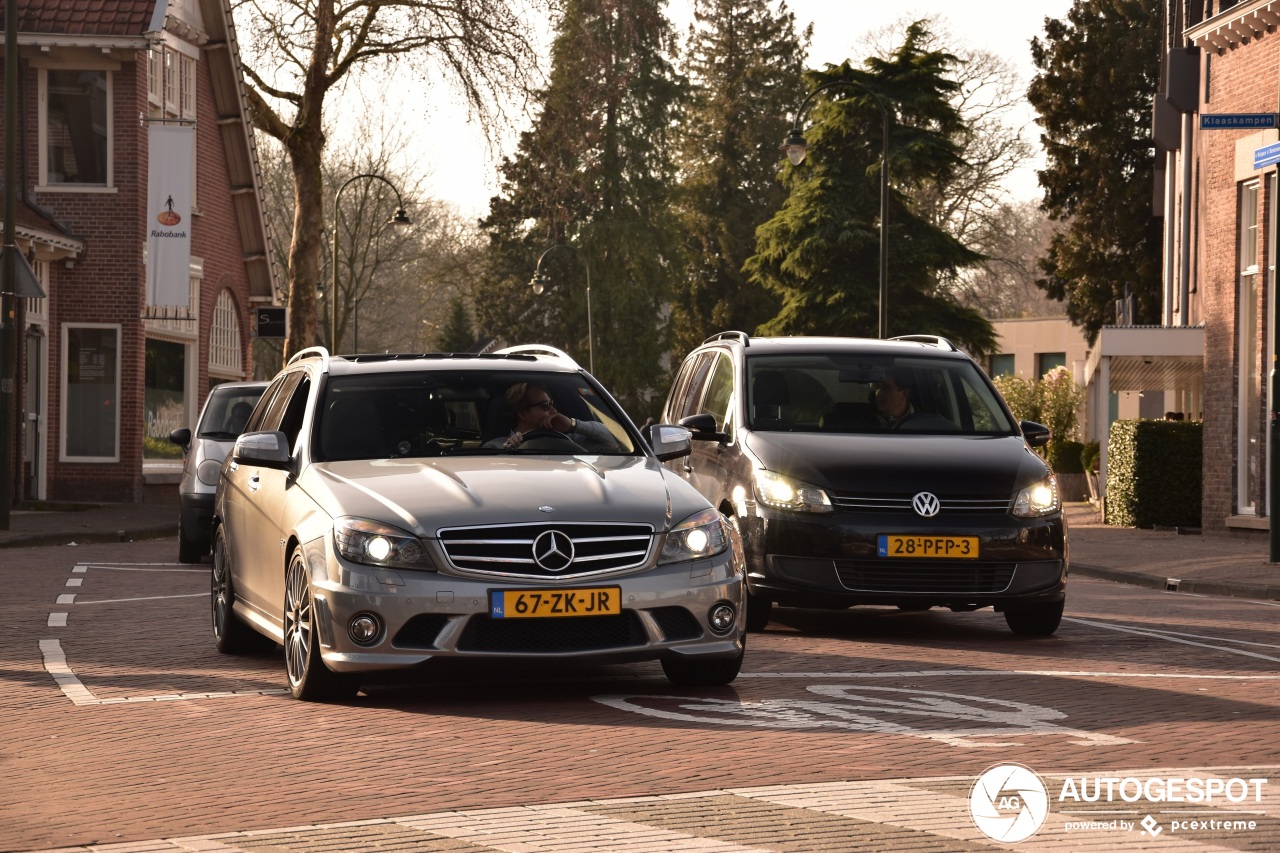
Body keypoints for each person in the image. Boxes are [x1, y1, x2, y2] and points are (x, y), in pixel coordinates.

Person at [484, 381, 617, 451]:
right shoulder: (496, 446)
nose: (554, 410)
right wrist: (506, 452)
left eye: (552, 404)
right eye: (546, 405)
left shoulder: (572, 441)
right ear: (523, 413)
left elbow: (613, 442)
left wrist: (573, 425)